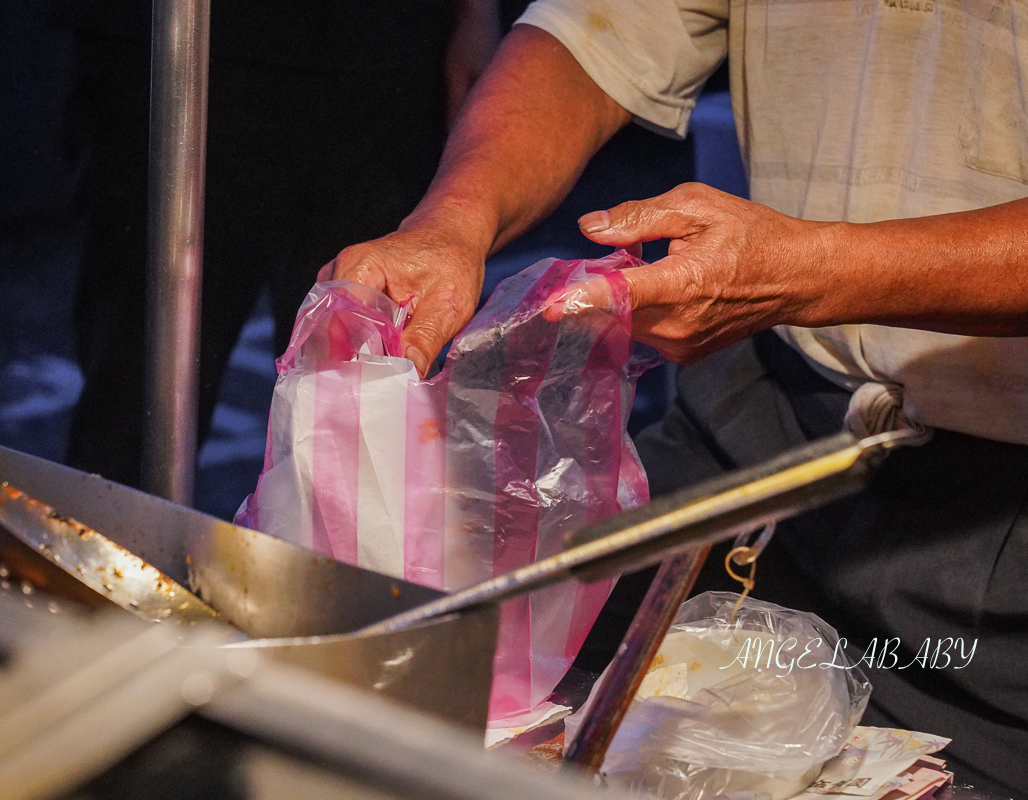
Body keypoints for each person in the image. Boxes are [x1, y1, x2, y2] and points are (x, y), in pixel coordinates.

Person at [324, 3, 1028, 793]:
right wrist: (454, 219)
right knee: (488, 719)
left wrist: (817, 272)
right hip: (763, 423)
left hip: (1001, 522)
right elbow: (598, 31)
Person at [57, 0, 501, 489]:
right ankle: (103, 559)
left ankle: (345, 562)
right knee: (136, 397)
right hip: (178, 44)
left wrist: (474, 13)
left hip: (383, 52)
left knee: (364, 408)